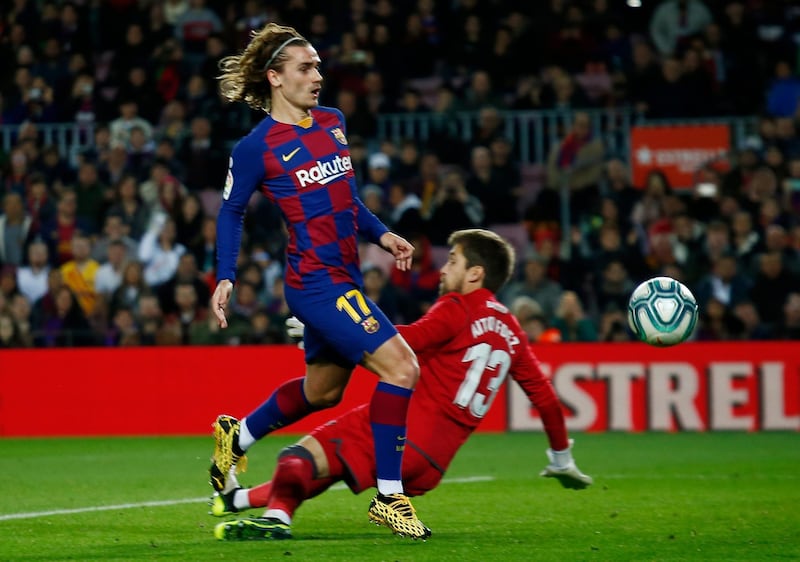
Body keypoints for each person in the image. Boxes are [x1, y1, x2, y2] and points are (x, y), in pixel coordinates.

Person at [210, 229, 592, 541]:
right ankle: (236, 500)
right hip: (433, 464)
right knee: (332, 466)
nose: (443, 270)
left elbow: (403, 343)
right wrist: (562, 459)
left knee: (297, 458)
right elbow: (544, 398)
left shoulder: (458, 307)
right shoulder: (511, 330)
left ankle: (277, 519)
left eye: (453, 262)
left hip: (401, 434)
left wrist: (326, 329)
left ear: (474, 274)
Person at [208, 23, 427, 539]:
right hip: (315, 283)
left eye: (318, 67)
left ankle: (234, 438)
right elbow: (230, 213)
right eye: (306, 68)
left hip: (343, 275)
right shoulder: (256, 147)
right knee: (402, 368)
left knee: (323, 391)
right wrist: (224, 277)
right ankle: (391, 497)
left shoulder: (332, 123)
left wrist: (383, 234)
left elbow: (344, 199)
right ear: (275, 79)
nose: (318, 76)